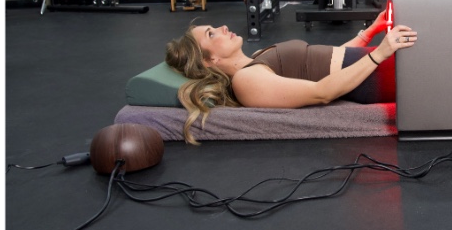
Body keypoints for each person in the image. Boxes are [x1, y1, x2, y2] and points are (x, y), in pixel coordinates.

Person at [165, 10, 417, 144]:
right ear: (210, 61)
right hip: (374, 75)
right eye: (211, 34)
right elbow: (322, 92)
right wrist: (380, 53)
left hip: (369, 62)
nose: (222, 28)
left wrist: (370, 31)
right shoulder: (245, 81)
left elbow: (328, 59)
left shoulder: (256, 57)